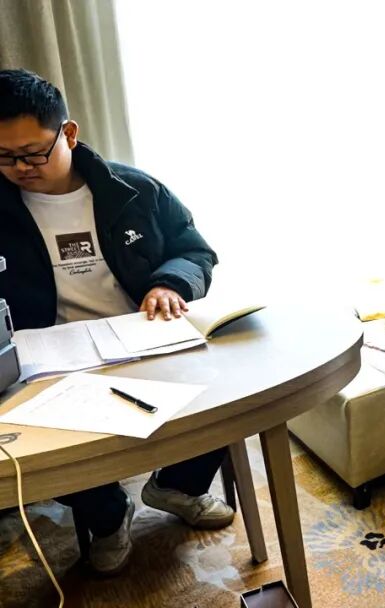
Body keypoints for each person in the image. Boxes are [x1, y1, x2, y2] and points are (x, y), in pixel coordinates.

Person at [0, 69, 233, 576]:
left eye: (33, 153)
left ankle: (177, 487)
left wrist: (170, 283)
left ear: (69, 133)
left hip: (140, 335)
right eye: (4, 156)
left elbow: (195, 251)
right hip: (47, 357)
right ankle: (107, 517)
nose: (20, 168)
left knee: (227, 395)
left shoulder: (135, 190)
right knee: (47, 444)